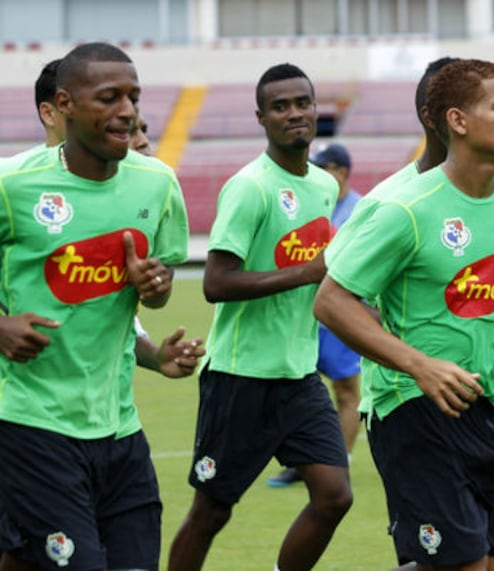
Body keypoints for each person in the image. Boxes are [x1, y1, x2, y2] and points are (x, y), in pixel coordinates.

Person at [313, 58, 494, 571]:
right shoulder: (403, 208)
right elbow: (331, 299)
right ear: (457, 121)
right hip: (411, 407)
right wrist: (420, 365)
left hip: (488, 406)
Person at [0, 42, 189, 570]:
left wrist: (157, 287)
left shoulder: (157, 182)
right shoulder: (13, 187)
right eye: (109, 97)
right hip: (31, 425)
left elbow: (163, 279)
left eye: (133, 96)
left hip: (119, 430)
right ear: (63, 105)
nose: (127, 111)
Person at [167, 63, 351, 571]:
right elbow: (216, 283)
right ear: (261, 118)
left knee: (334, 496)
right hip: (240, 377)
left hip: (298, 374)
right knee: (212, 510)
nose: (295, 113)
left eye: (303, 103)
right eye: (281, 106)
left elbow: (325, 274)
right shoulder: (249, 187)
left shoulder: (323, 187)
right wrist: (308, 272)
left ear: (317, 110)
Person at [268, 142, 363, 487]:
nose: (314, 174)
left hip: (342, 312)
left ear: (340, 172)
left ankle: (338, 464)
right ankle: (305, 462)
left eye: (322, 167)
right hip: (305, 313)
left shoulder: (360, 210)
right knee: (297, 388)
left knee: (347, 390)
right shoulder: (311, 204)